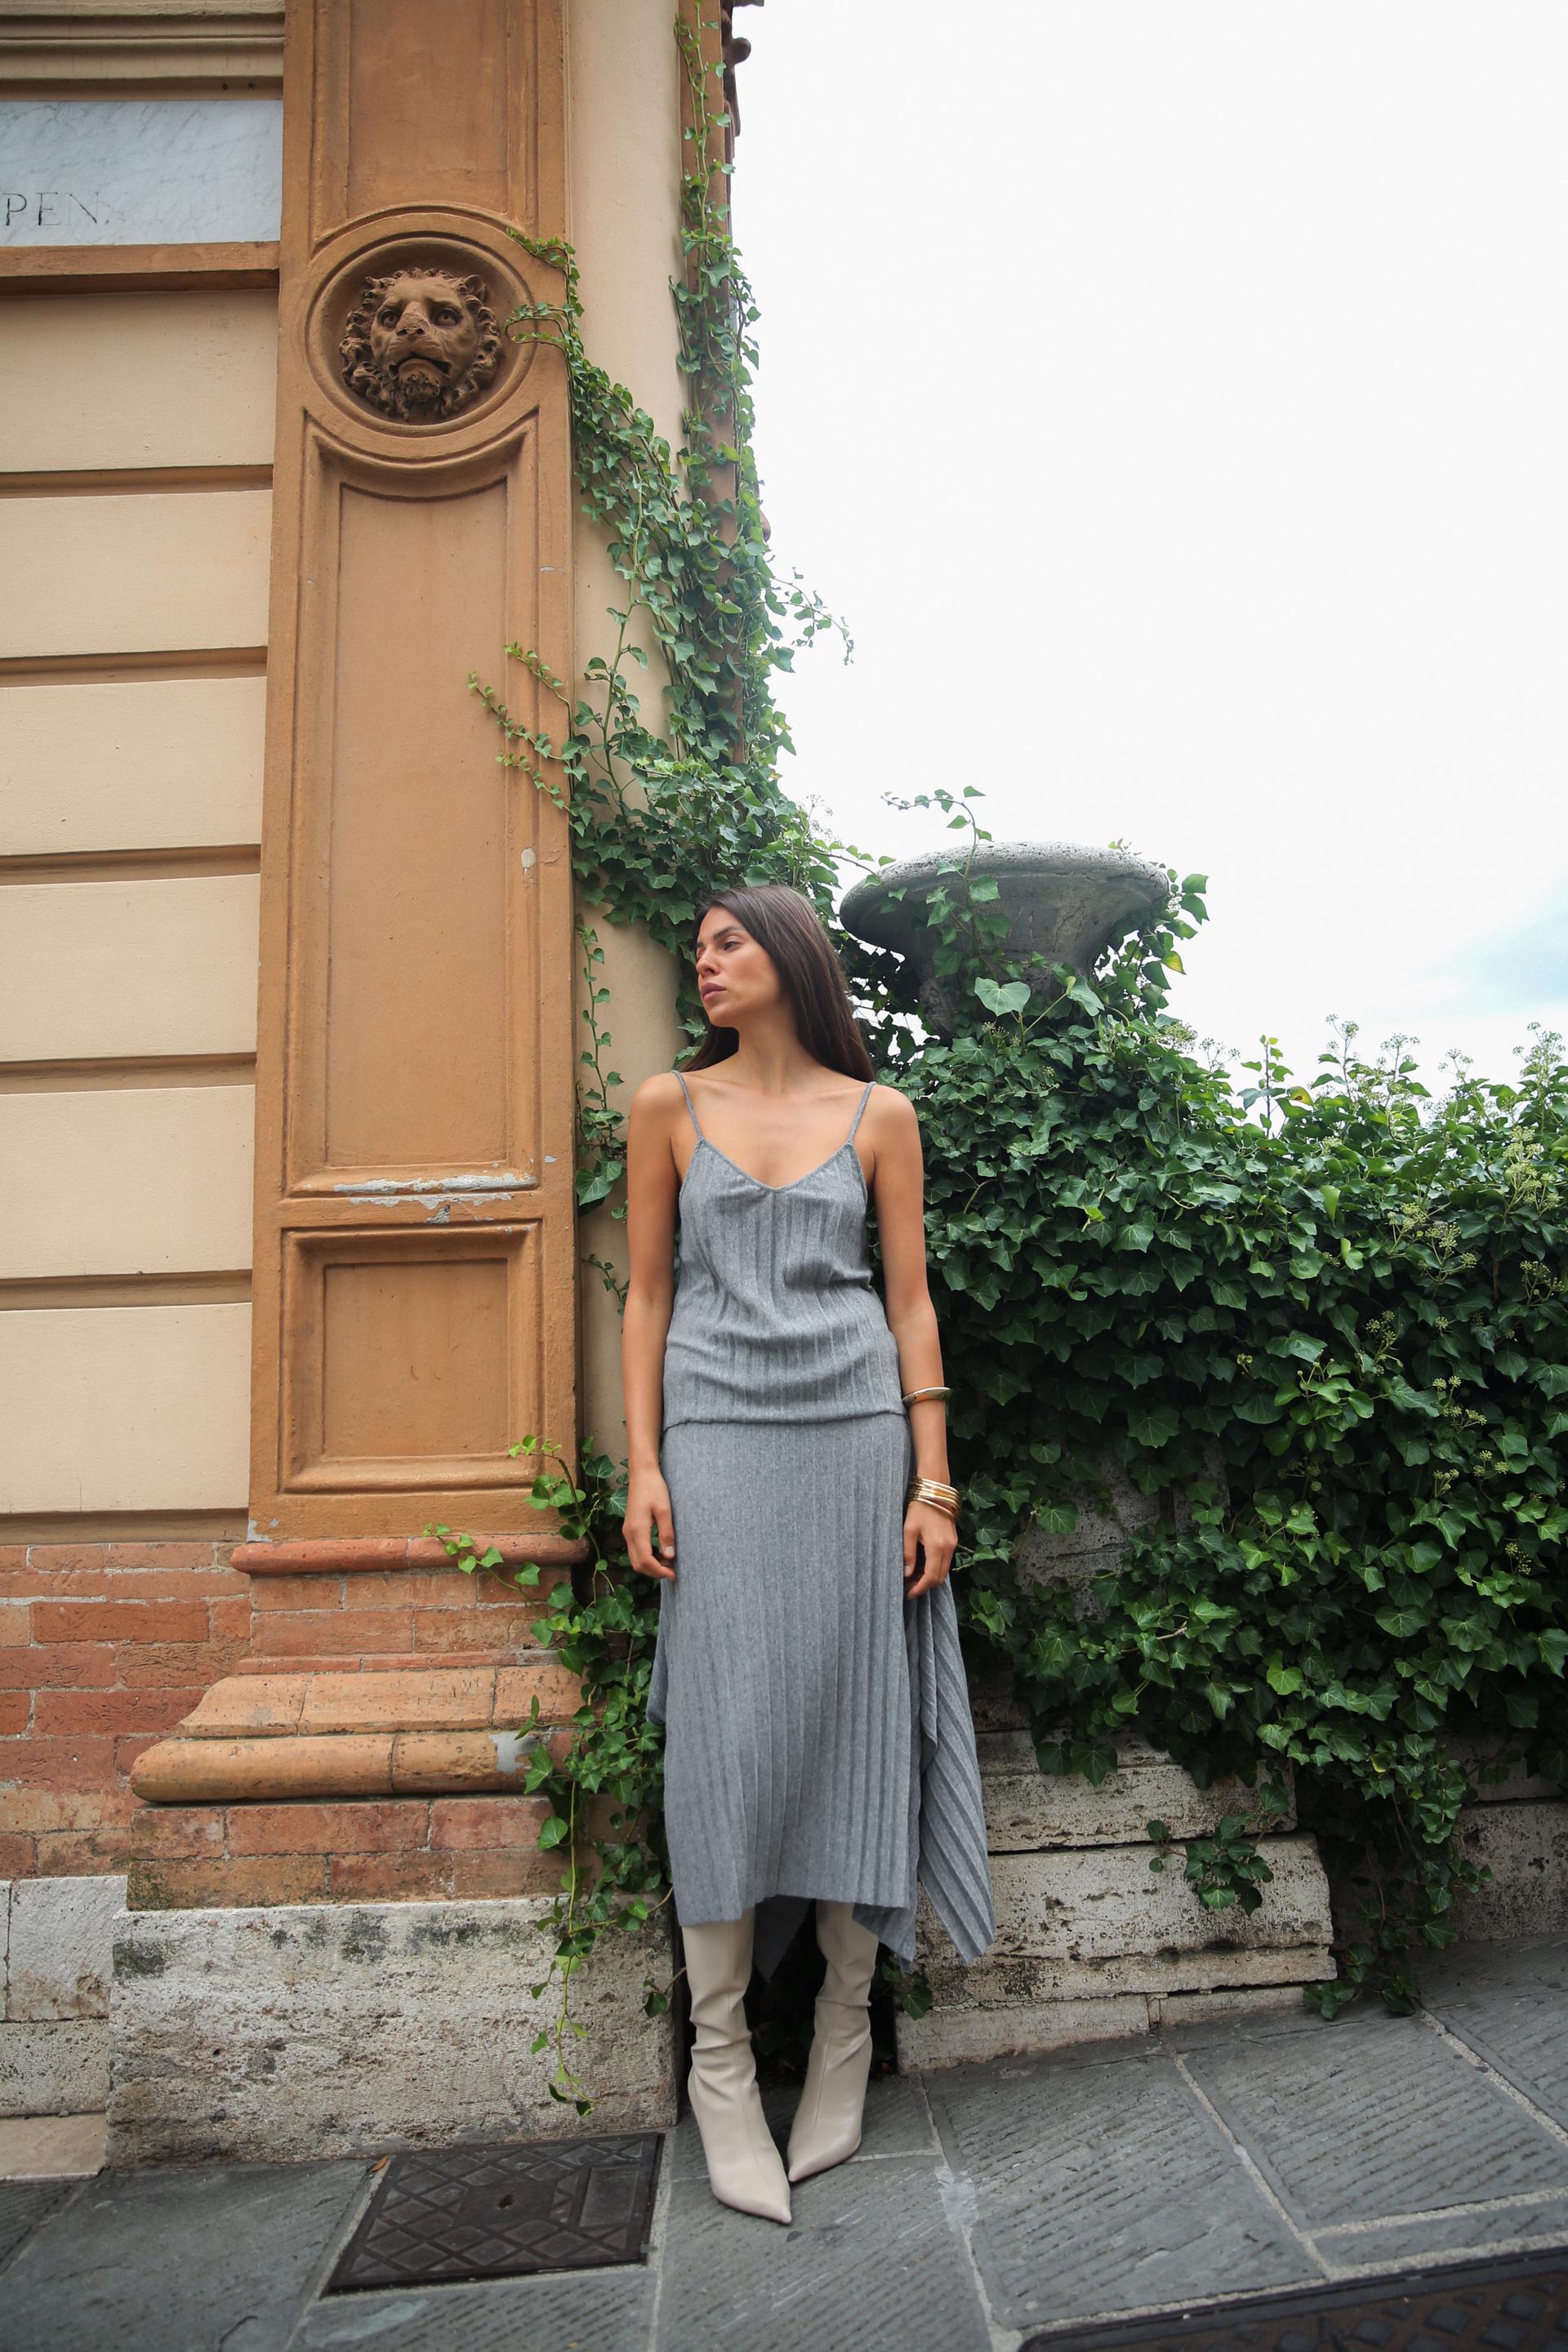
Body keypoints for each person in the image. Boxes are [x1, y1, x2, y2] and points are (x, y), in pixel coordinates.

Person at [621, 882, 995, 2225]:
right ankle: (720, 2064)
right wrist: (645, 1465)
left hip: (855, 1443)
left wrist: (934, 1484)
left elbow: (910, 1300)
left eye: (728, 943)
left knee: (857, 1726)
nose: (706, 963)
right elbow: (647, 1295)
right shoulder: (668, 1104)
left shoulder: (878, 1113)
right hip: (717, 1439)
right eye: (699, 949)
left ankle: (845, 2030)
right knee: (720, 1739)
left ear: (788, 955)